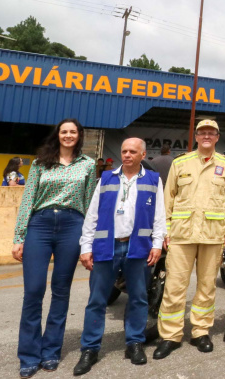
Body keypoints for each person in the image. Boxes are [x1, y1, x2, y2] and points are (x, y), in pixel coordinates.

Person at [12, 119, 98, 378]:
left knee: (61, 291)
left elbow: (90, 203)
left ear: (79, 136)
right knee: (34, 291)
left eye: (73, 132)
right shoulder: (40, 163)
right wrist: (19, 236)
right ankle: (28, 354)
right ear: (57, 135)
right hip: (40, 224)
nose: (68, 135)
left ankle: (51, 350)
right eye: (64, 132)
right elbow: (28, 199)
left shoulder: (88, 165)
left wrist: (89, 240)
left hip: (73, 226)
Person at [72, 138, 166, 375]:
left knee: (138, 298)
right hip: (106, 248)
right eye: (124, 150)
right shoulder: (106, 179)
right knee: (97, 300)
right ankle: (90, 349)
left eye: (132, 151)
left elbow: (159, 216)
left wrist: (157, 245)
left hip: (138, 248)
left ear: (143, 154)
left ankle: (134, 343)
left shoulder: (153, 180)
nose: (127, 155)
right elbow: (92, 215)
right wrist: (85, 247)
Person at [153, 119, 225, 360]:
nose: (206, 136)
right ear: (196, 135)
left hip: (213, 234)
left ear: (217, 137)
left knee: (206, 286)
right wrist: (165, 230)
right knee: (174, 286)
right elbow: (167, 198)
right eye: (202, 132)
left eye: (211, 133)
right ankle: (170, 335)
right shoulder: (180, 163)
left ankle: (201, 332)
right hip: (181, 234)